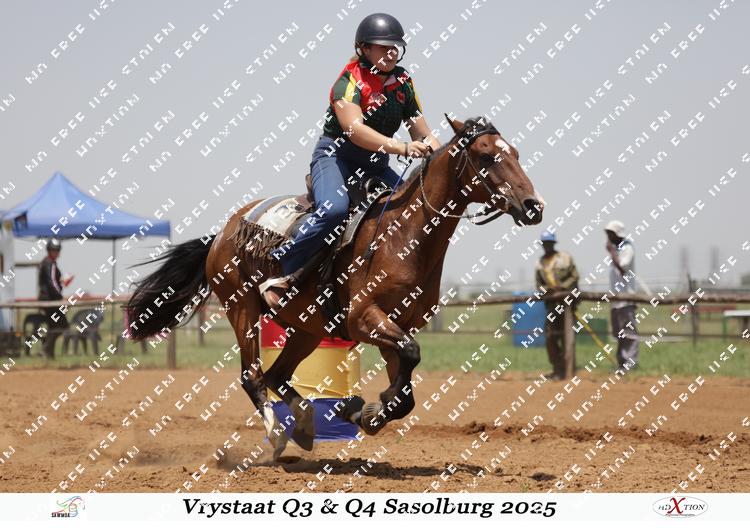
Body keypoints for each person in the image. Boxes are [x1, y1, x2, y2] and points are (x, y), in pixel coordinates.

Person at [259, 12, 441, 310]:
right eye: (383, 47)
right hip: (336, 158)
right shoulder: (348, 81)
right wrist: (403, 148)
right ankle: (282, 271)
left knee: (412, 209)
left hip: (376, 165)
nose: (391, 53)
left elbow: (423, 132)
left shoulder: (404, 82)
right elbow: (354, 131)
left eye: (395, 47)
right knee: (334, 210)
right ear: (364, 49)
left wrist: (446, 155)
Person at [535, 230, 579, 380]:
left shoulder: (565, 258)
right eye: (545, 243)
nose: (547, 246)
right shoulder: (540, 263)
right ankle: (557, 368)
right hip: (551, 304)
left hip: (567, 303)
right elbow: (539, 284)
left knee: (567, 335)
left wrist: (563, 287)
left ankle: (568, 370)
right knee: (550, 336)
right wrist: (548, 290)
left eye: (549, 243)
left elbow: (574, 276)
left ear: (554, 244)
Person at [604, 220, 638, 369]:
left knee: (629, 333)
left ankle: (630, 363)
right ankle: (622, 363)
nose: (608, 237)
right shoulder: (617, 250)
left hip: (626, 299)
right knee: (619, 333)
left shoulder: (627, 248)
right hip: (616, 300)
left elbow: (623, 268)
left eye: (610, 234)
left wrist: (612, 252)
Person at [38, 238, 73, 358]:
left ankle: (49, 354)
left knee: (54, 326)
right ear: (49, 250)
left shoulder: (47, 262)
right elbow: (51, 283)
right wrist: (61, 298)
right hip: (50, 301)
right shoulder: (50, 263)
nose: (56, 252)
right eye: (54, 250)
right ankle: (46, 349)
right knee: (62, 325)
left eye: (57, 250)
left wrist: (61, 282)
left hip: (48, 300)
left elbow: (52, 281)